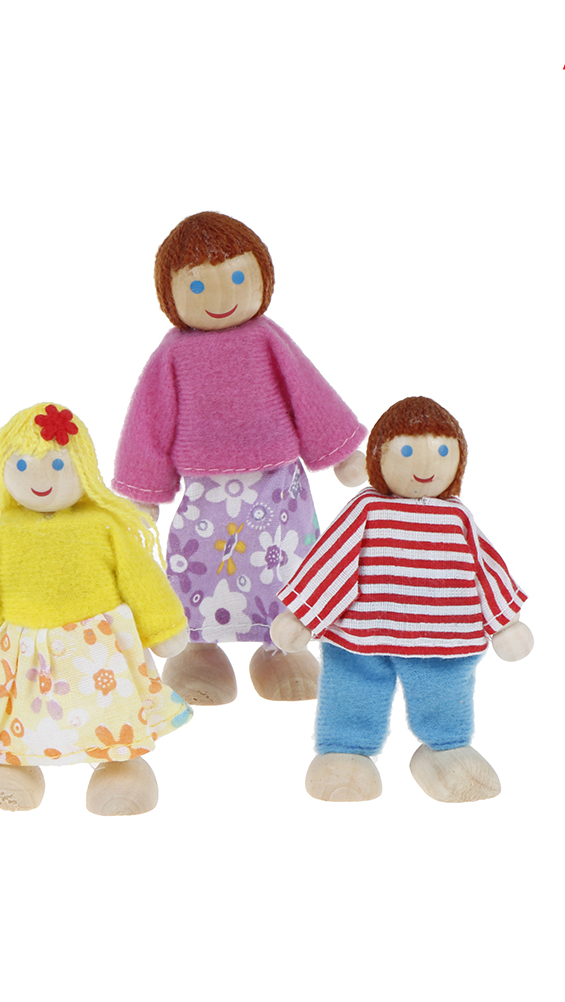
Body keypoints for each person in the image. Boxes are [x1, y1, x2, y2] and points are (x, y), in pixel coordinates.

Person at [114, 211, 366, 706]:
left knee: (286, 565)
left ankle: (282, 648)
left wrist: (342, 453)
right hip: (206, 493)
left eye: (235, 278)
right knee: (200, 563)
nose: (221, 295)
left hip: (279, 487)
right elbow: (149, 421)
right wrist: (144, 492)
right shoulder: (172, 355)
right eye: (198, 285)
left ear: (261, 278)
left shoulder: (268, 338)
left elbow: (308, 393)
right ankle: (198, 649)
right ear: (170, 294)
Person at [271, 396, 533, 802]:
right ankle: (345, 754)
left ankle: (446, 752)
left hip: (443, 638)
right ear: (379, 457)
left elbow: (486, 567)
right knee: (351, 692)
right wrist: (303, 615)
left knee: (446, 698)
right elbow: (333, 558)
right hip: (362, 635)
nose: (426, 465)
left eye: (442, 452)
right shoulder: (367, 507)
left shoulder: (457, 517)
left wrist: (505, 624)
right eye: (407, 451)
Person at [0, 404, 191, 814]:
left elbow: (140, 578)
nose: (40, 479)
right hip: (25, 657)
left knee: (111, 717)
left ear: (82, 466)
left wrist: (163, 627)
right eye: (23, 465)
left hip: (98, 655)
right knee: (20, 716)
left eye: (57, 464)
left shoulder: (103, 524)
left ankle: (121, 772)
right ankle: (14, 771)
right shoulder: (4, 533)